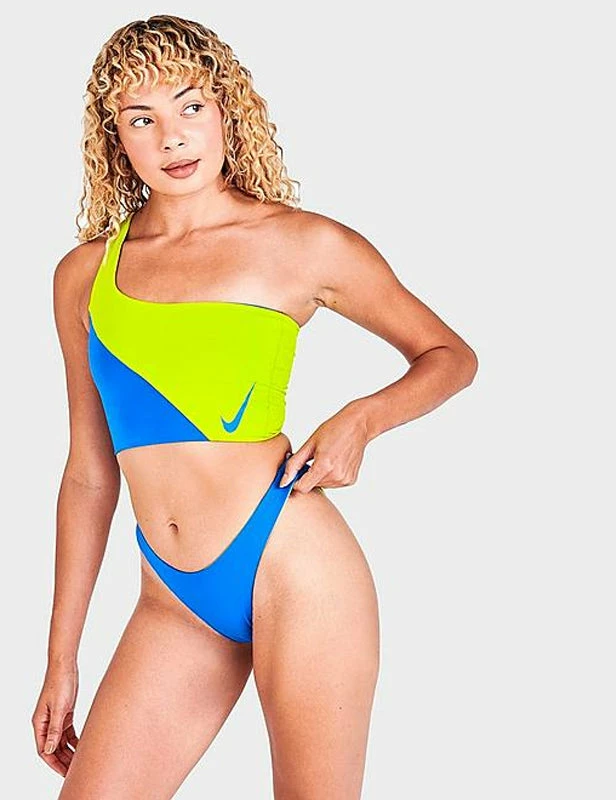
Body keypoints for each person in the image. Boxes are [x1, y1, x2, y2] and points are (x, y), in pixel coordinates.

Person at [33, 14, 477, 800]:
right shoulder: (83, 276)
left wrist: (361, 420)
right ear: (115, 139)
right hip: (172, 600)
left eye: (189, 106)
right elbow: (89, 475)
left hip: (295, 567)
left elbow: (449, 355)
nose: (172, 137)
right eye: (143, 118)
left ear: (226, 110)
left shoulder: (303, 244)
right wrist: (61, 659)